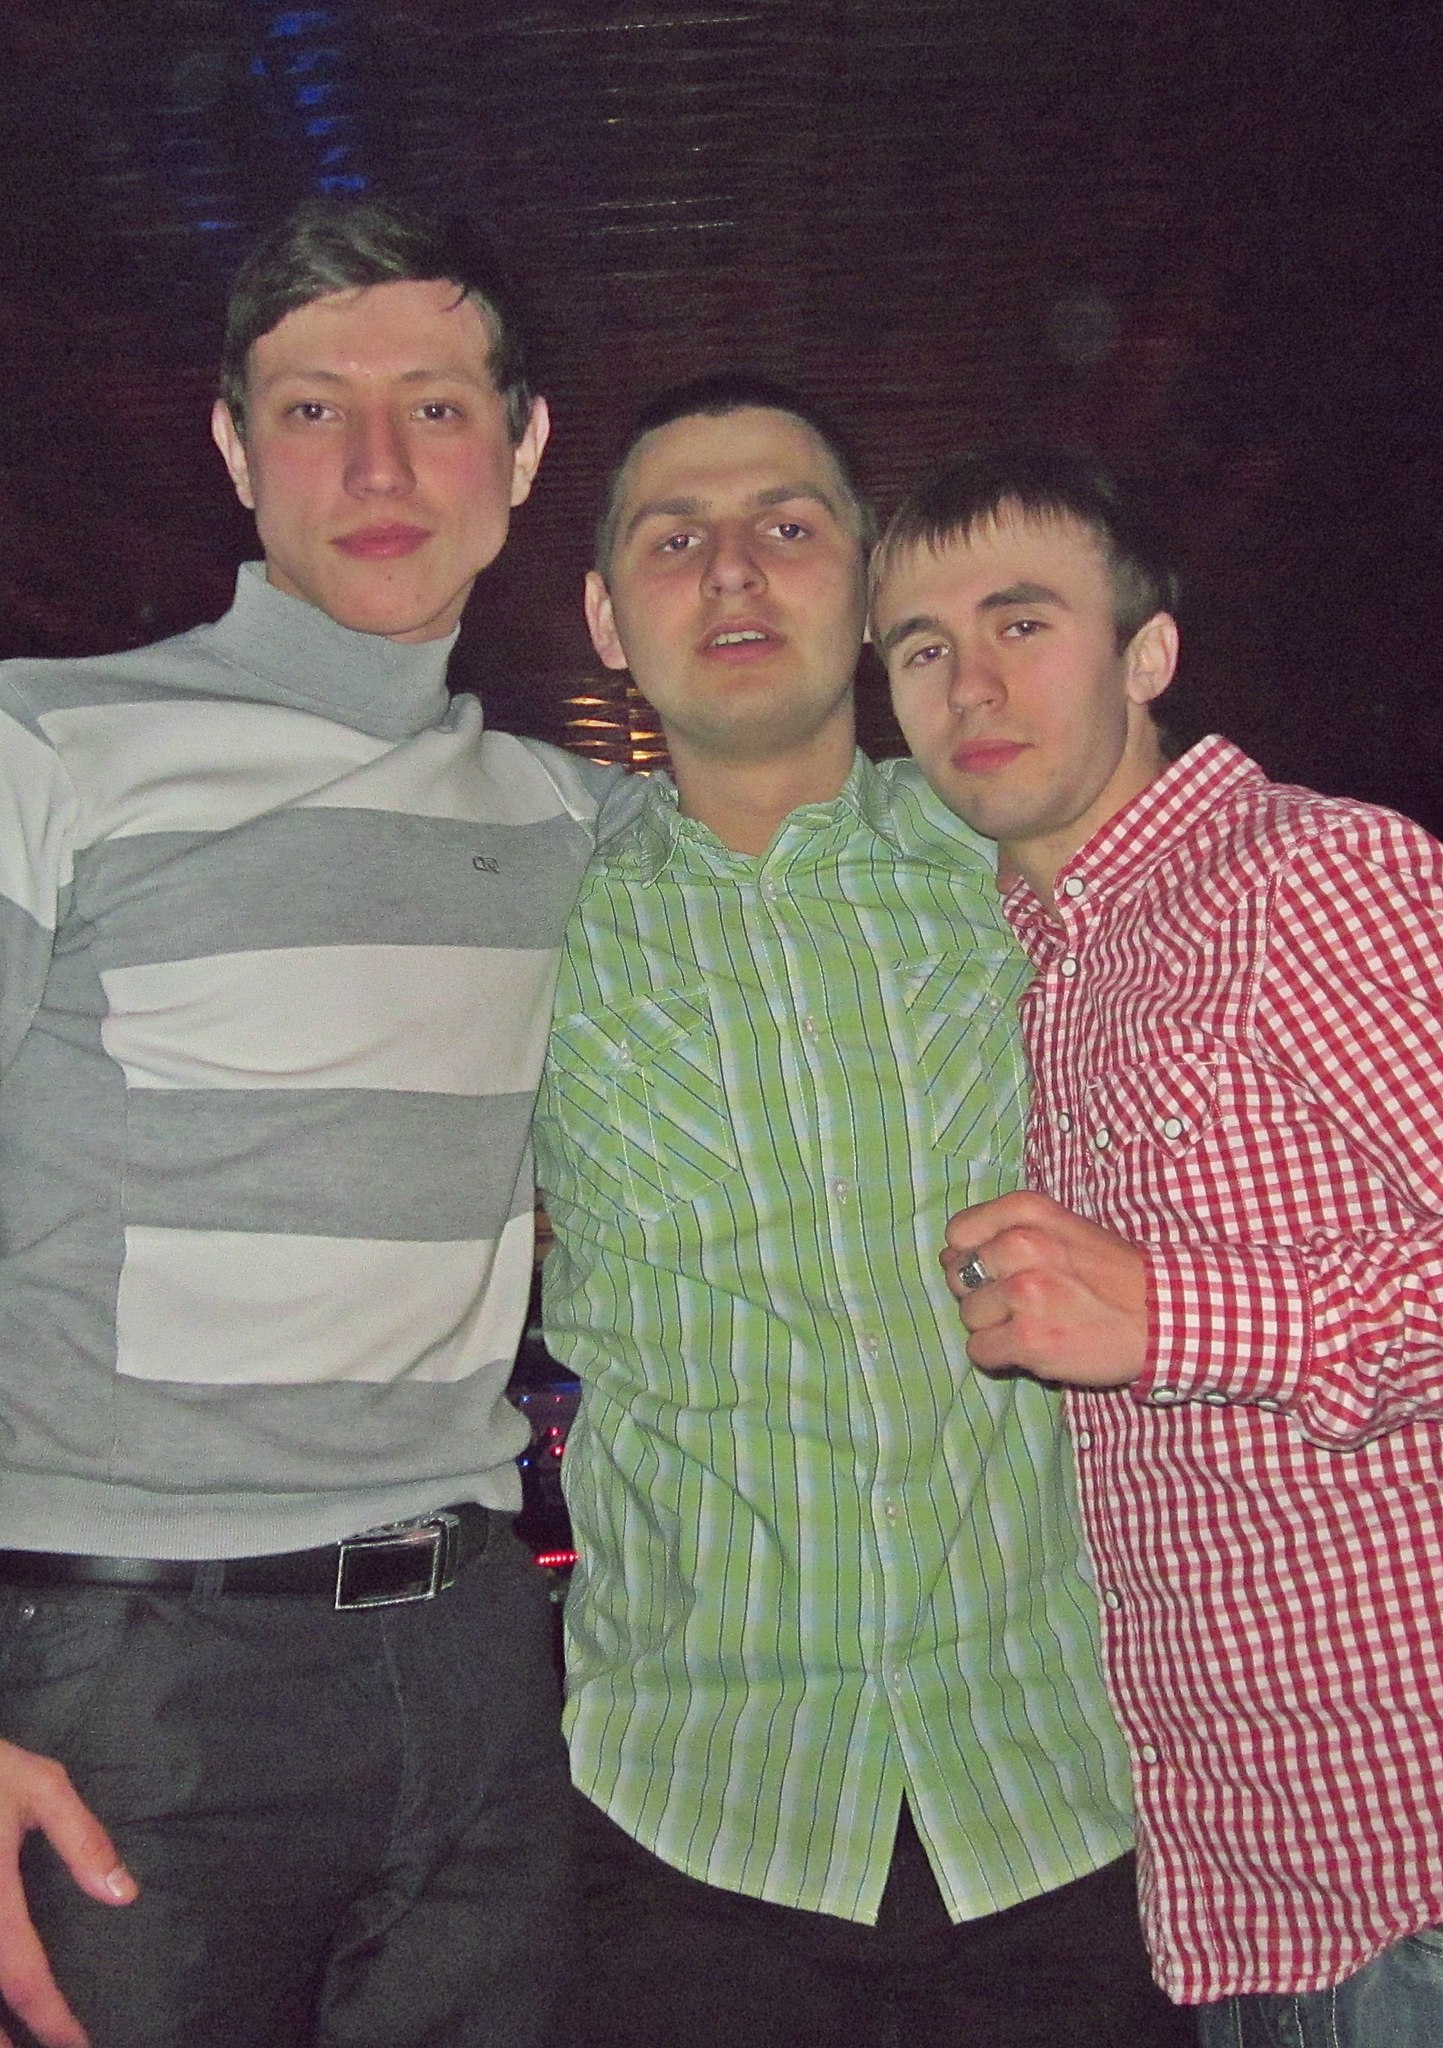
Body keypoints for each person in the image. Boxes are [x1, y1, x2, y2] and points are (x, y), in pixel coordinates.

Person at [0, 196, 629, 2048]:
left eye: (434, 406)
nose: (376, 465)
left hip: (479, 1663)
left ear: (522, 450)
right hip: (130, 1672)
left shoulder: (579, 821)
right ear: (233, 447)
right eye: (310, 409)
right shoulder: (47, 749)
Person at [533, 377, 1192, 2048]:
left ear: (867, 587)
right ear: (607, 620)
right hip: (691, 1823)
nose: (734, 571)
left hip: (1069, 1792)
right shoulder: (527, 915)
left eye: (787, 525)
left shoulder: (1027, 864)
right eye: (675, 540)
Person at [871, 445, 1443, 2044]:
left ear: (1148, 653)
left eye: (1022, 622)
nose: (970, 684)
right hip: (1245, 1894)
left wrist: (1175, 1315)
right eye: (920, 648)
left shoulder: (1309, 878)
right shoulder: (1052, 963)